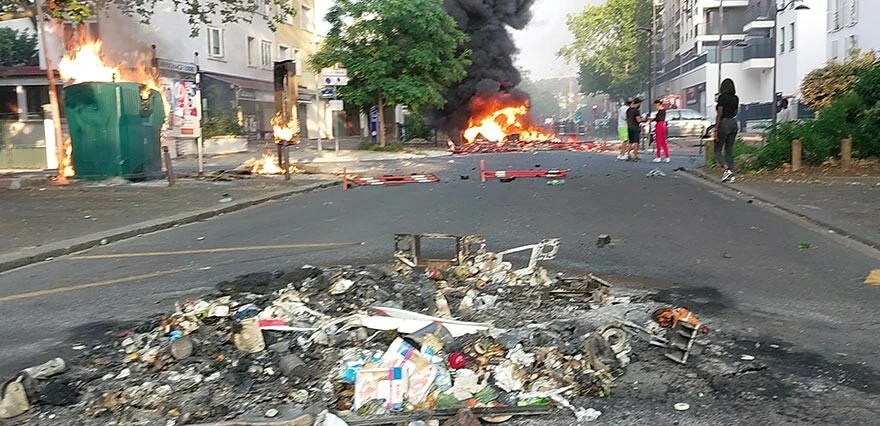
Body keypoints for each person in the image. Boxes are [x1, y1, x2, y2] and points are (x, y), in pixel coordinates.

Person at [714, 78, 739, 183]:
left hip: (724, 123)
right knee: (729, 150)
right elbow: (735, 111)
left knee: (717, 149)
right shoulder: (735, 98)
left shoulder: (722, 98)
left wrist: (716, 128)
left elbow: (719, 113)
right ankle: (732, 174)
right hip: (733, 123)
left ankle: (726, 170)